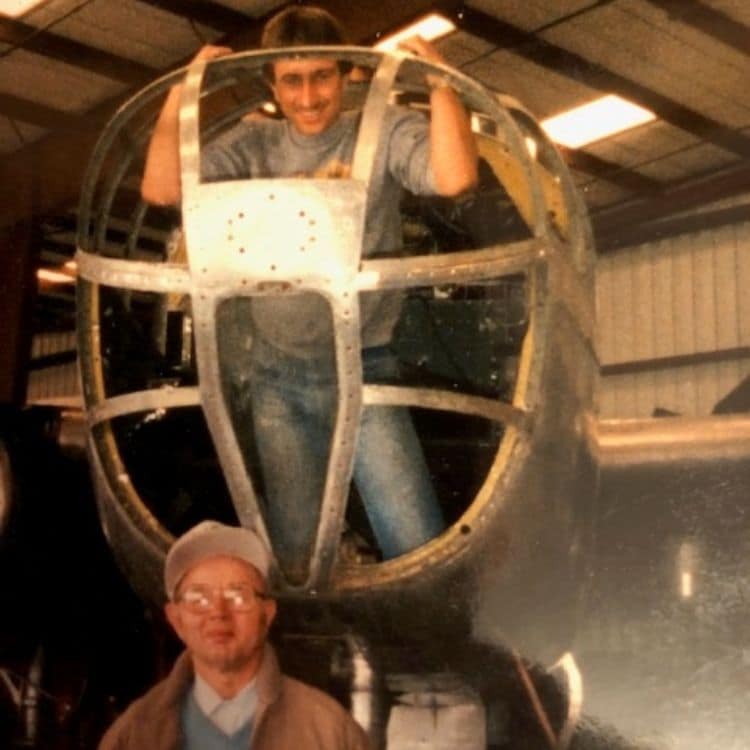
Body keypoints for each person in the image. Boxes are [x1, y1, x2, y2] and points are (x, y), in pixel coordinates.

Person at [141, 6, 478, 580]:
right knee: (295, 559)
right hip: (279, 380)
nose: (308, 96)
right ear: (272, 85)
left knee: (413, 540)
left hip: (366, 369)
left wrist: (444, 86)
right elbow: (161, 187)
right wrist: (181, 95)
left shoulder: (383, 129)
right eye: (292, 81)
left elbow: (453, 177)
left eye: (322, 76)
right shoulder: (253, 142)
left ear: (348, 74)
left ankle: (425, 663)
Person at [99, 520, 371, 749]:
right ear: (176, 619)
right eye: (198, 598)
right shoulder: (134, 734)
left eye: (238, 595)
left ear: (267, 613)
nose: (218, 612)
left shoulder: (328, 731)